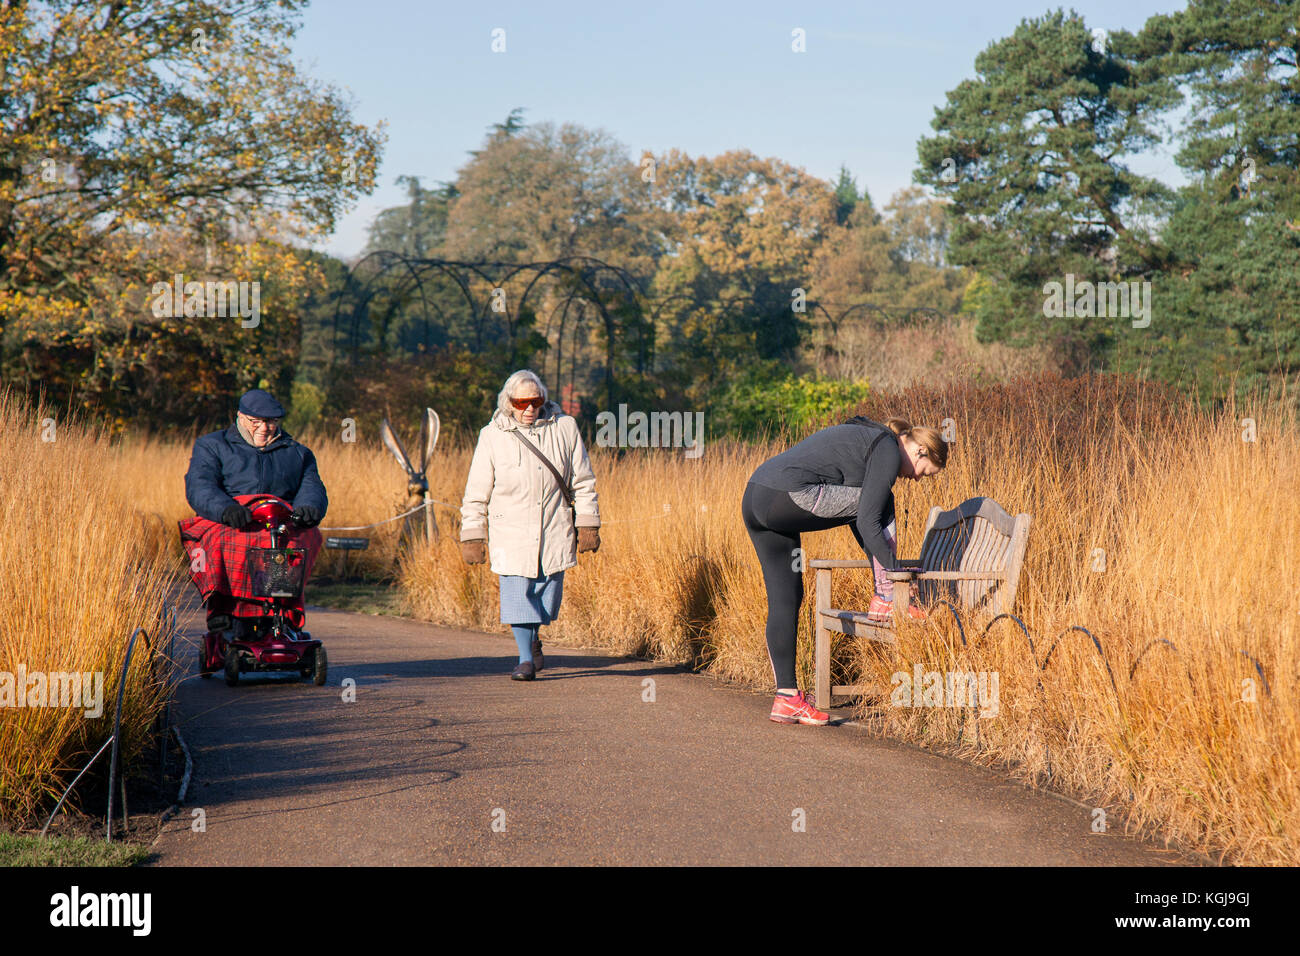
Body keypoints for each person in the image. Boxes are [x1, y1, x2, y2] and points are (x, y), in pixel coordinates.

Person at [742, 416, 947, 725]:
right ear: (920, 450)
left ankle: (787, 699)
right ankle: (888, 597)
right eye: (924, 472)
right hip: (788, 494)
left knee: (787, 597)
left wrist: (885, 565)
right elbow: (867, 519)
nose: (918, 479)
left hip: (758, 497)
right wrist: (896, 578)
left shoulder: (871, 437)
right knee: (882, 502)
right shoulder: (889, 450)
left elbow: (860, 518)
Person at [459, 370, 601, 681]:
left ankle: (534, 638)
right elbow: (476, 490)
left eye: (535, 401)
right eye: (521, 402)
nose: (529, 408)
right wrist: (472, 534)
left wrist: (589, 523)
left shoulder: (565, 428)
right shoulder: (492, 435)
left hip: (554, 527)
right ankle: (524, 659)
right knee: (518, 595)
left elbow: (584, 481)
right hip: (509, 532)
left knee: (545, 598)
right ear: (507, 402)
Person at [181, 388, 328, 635]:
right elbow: (200, 486)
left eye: (270, 421)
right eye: (255, 421)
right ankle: (223, 606)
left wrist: (309, 508)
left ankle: (284, 607)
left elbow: (311, 486)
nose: (264, 427)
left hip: (281, 517)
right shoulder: (212, 445)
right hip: (232, 516)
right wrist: (226, 509)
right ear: (240, 416)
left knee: (308, 536)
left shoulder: (298, 452)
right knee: (221, 539)